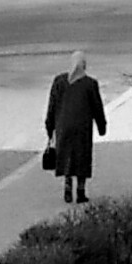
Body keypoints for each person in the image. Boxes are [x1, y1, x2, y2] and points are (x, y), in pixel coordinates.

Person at [45, 50, 107, 204]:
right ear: (84, 65)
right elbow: (97, 108)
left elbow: (52, 106)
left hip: (63, 128)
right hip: (82, 129)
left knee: (66, 156)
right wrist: (102, 127)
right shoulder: (90, 84)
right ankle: (80, 191)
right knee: (82, 157)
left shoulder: (59, 81)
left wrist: (49, 127)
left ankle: (67, 187)